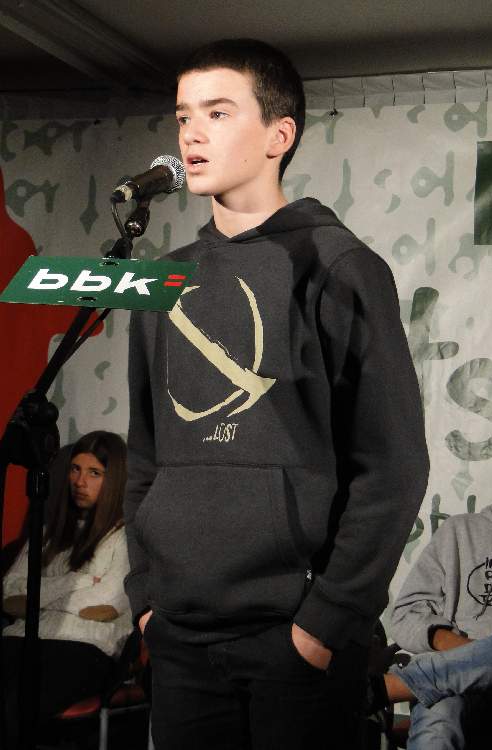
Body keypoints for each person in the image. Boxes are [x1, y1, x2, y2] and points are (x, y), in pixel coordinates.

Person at [123, 38, 429, 750]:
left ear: (278, 135)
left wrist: (324, 624)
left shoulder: (340, 265)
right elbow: (145, 456)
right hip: (179, 635)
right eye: (183, 116)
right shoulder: (165, 278)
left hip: (293, 638)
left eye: (218, 113)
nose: (192, 134)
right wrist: (146, 601)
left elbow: (393, 465)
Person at [1, 430, 132, 746]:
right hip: (20, 639)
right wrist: (80, 582)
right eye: (75, 469)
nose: (80, 481)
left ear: (114, 481)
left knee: (15, 705)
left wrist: (36, 596)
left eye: (94, 473)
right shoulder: (47, 534)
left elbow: (105, 606)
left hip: (84, 648)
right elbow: (8, 595)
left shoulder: (126, 539)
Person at [369, 503, 492, 748]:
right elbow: (407, 616)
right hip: (451, 685)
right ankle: (416, 684)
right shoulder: (459, 530)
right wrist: (470, 656)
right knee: (439, 711)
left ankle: (395, 686)